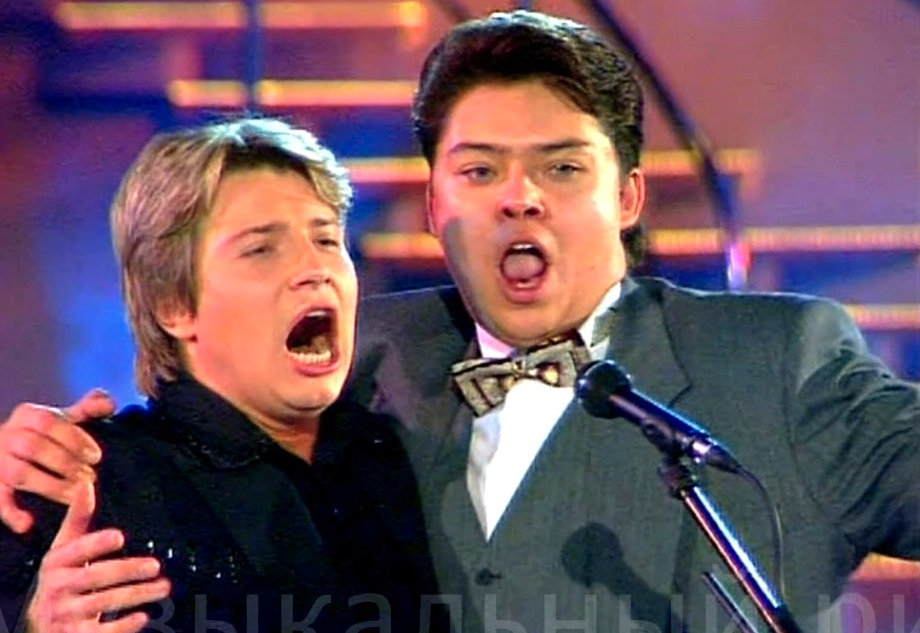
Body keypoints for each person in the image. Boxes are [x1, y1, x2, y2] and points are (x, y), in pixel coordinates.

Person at [3, 9, 920, 633]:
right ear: (436, 205)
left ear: (630, 197)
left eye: (562, 167)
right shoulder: (365, 359)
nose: (520, 197)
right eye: (480, 170)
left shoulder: (782, 364)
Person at [0, 116, 442, 633]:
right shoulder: (84, 477)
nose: (315, 268)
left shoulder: (393, 454)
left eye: (326, 240)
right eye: (261, 249)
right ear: (174, 303)